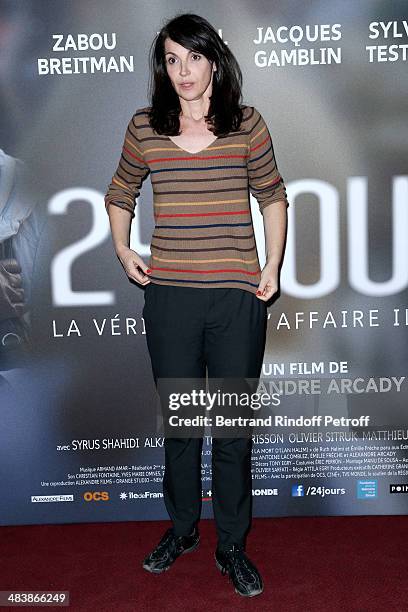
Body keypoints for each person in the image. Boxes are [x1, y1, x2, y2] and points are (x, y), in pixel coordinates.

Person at [104, 13, 289, 598]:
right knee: (183, 428)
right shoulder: (144, 126)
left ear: (215, 60)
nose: (182, 71)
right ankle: (182, 529)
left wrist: (272, 267)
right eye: (171, 59)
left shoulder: (246, 124)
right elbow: (120, 192)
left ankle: (231, 545)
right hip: (171, 301)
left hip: (236, 299)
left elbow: (275, 197)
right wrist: (121, 247)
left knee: (232, 430)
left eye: (193, 57)